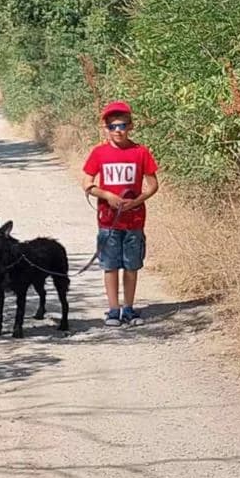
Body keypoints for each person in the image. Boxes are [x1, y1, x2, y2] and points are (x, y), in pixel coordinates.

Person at [82, 101, 159, 325]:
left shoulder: (140, 152)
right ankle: (113, 309)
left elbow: (153, 185)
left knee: (131, 266)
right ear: (105, 128)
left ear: (130, 126)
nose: (118, 130)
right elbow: (87, 182)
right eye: (113, 126)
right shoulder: (99, 153)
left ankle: (129, 308)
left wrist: (136, 201)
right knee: (110, 265)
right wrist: (107, 196)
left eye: (123, 125)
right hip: (108, 221)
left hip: (134, 221)